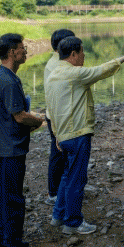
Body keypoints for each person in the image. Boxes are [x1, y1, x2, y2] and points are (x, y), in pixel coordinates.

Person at [46, 37, 124, 235]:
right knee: (77, 178)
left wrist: (56, 135)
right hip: (77, 134)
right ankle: (73, 222)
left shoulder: (53, 75)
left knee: (67, 175)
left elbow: (51, 109)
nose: (84, 56)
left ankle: (58, 215)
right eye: (82, 52)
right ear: (74, 54)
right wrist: (121, 59)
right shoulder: (74, 74)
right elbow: (99, 71)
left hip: (63, 135)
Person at [0, 33, 44, 247]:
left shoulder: (1, 75)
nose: (25, 51)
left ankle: (2, 240)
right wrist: (39, 120)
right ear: (12, 52)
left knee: (4, 195)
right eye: (22, 48)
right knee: (13, 198)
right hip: (10, 149)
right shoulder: (9, 81)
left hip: (0, 147)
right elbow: (19, 116)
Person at [43, 29, 76, 206]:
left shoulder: (58, 61)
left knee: (61, 152)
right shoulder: (57, 65)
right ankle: (54, 192)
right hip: (57, 116)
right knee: (58, 153)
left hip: (58, 114)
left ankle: (60, 190)